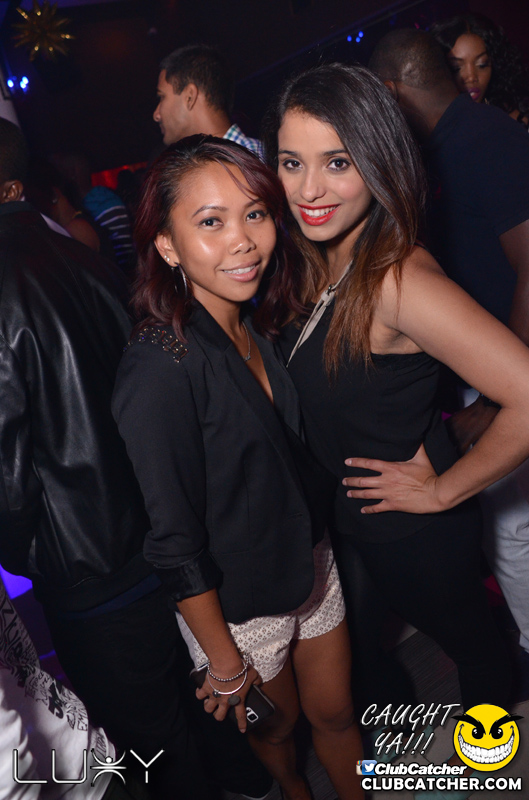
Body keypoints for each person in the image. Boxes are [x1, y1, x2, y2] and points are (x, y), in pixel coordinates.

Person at [259, 61, 529, 728]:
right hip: (356, 520)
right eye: (291, 163)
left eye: (337, 162)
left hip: (414, 527)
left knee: (475, 651)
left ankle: (485, 763)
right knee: (363, 662)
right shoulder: (321, 257)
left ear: (378, 161)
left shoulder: (397, 278)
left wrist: (442, 491)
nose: (309, 189)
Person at [112, 135, 364, 800]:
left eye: (254, 214)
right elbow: (173, 540)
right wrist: (224, 663)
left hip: (310, 560)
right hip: (239, 606)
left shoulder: (252, 322)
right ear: (167, 245)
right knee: (278, 734)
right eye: (210, 222)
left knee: (337, 712)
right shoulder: (160, 366)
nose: (243, 241)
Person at [0, 116, 210, 800]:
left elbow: (7, 471)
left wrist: (27, 551)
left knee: (148, 749)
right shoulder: (81, 253)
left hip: (89, 568)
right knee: (192, 709)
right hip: (154, 534)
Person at [369, 29, 529, 667]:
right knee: (510, 526)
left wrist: (494, 399)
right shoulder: (443, 147)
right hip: (493, 368)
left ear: (391, 90)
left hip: (511, 372)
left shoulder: (486, 139)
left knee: (512, 527)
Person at [153, 44, 263, 157]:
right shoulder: (251, 157)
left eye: (162, 97)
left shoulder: (257, 160)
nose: (156, 115)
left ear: (190, 97)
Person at [431, 13, 529, 127]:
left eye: (482, 65)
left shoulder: (514, 119)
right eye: (456, 68)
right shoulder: (434, 129)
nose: (471, 77)